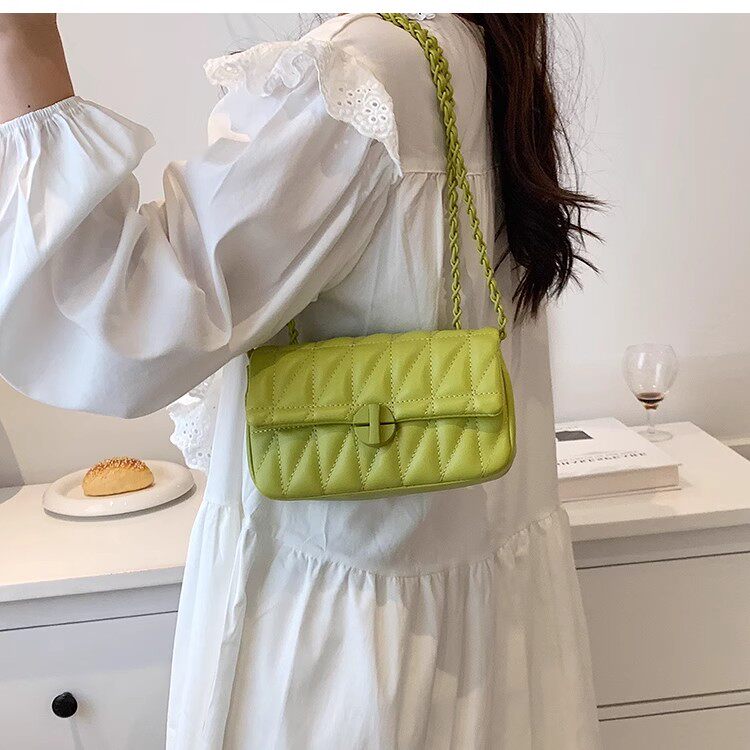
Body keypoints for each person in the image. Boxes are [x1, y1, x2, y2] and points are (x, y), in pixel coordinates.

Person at [0, 12, 601, 749]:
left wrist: (20, 39)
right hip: (455, 636)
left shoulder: (360, 80)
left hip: (342, 658)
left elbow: (115, 326)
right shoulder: (467, 52)